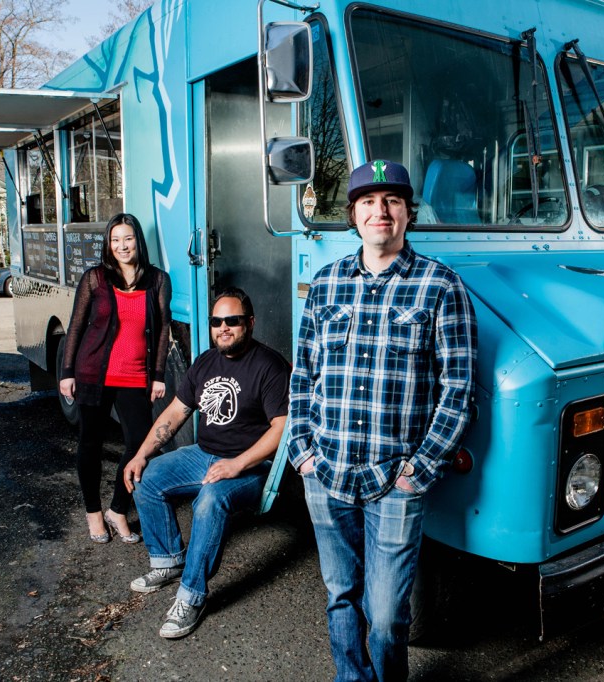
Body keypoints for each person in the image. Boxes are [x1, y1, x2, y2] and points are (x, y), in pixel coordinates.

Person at [288, 160, 477, 681]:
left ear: (408, 214)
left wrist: (419, 469)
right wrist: (301, 451)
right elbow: (303, 374)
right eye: (368, 202)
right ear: (353, 215)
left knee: (389, 616)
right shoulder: (325, 284)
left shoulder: (441, 286)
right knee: (339, 595)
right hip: (325, 472)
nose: (380, 211)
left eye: (392, 201)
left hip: (394, 479)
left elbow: (458, 391)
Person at [123, 287, 290, 639]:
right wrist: (140, 454)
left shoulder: (269, 365)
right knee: (146, 477)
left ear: (250, 323)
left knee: (210, 500)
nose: (223, 328)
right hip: (203, 454)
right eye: (217, 321)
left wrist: (237, 464)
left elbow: (282, 427)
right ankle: (168, 560)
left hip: (251, 466)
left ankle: (192, 595)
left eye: (233, 321)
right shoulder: (205, 362)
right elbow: (175, 412)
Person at [59, 213, 172, 544]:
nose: (122, 246)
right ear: (109, 244)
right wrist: (67, 372)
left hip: (136, 375)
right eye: (116, 240)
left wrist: (158, 375)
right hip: (94, 373)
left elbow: (163, 327)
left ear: (138, 241)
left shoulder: (158, 280)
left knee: (140, 443)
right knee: (90, 442)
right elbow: (76, 325)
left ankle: (118, 509)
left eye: (128, 239)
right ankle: (94, 513)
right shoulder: (95, 278)